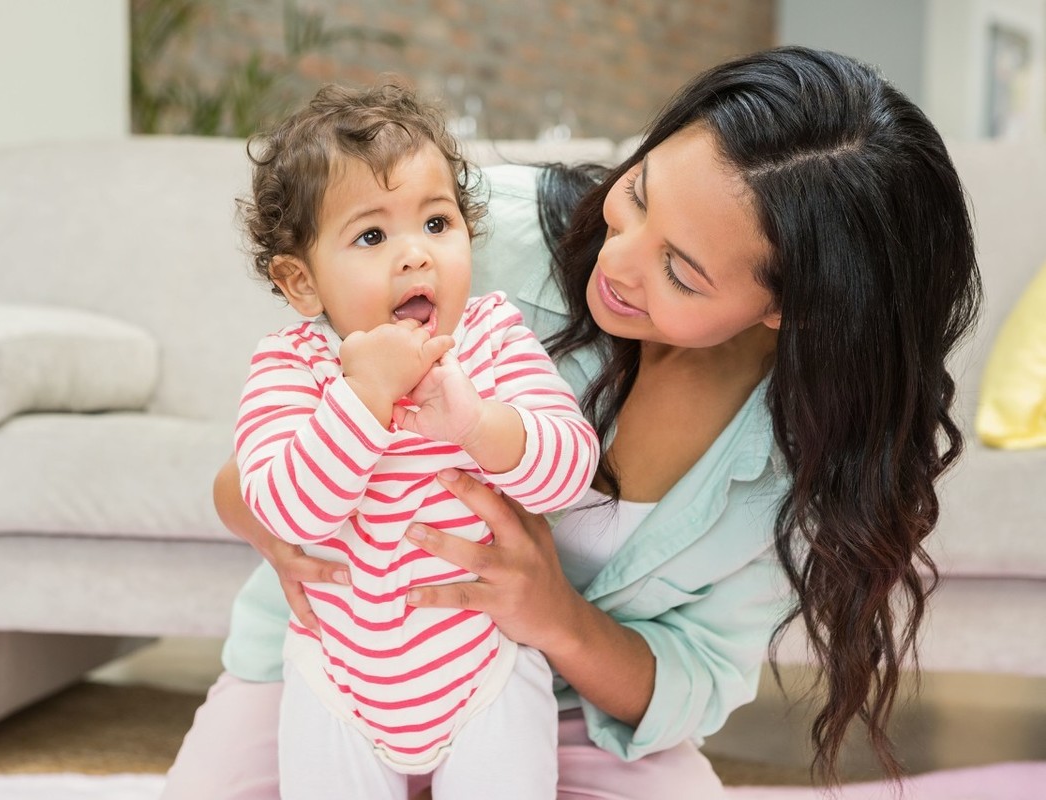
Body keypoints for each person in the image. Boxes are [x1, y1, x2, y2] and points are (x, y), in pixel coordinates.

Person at [163, 46, 981, 799]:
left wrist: (552, 614)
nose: (616, 264)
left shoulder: (798, 451)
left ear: (789, 311)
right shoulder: (460, 231)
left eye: (681, 273)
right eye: (637, 193)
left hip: (542, 698)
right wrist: (278, 519)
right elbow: (256, 475)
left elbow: (689, 681)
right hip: (338, 655)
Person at [227, 83, 599, 799]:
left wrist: (477, 426)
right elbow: (286, 512)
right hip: (337, 678)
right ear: (301, 281)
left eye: (437, 223)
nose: (416, 256)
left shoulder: (490, 338)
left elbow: (570, 472)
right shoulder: (292, 366)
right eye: (372, 236)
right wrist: (363, 397)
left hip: (484, 669)